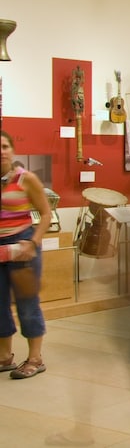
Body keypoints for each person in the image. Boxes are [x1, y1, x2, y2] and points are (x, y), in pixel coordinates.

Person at [0, 131, 52, 379]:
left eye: (4, 146)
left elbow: (45, 214)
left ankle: (35, 358)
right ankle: (4, 356)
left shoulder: (25, 179)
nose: (1, 151)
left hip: (22, 245)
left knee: (26, 304)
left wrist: (33, 243)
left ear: (12, 150)